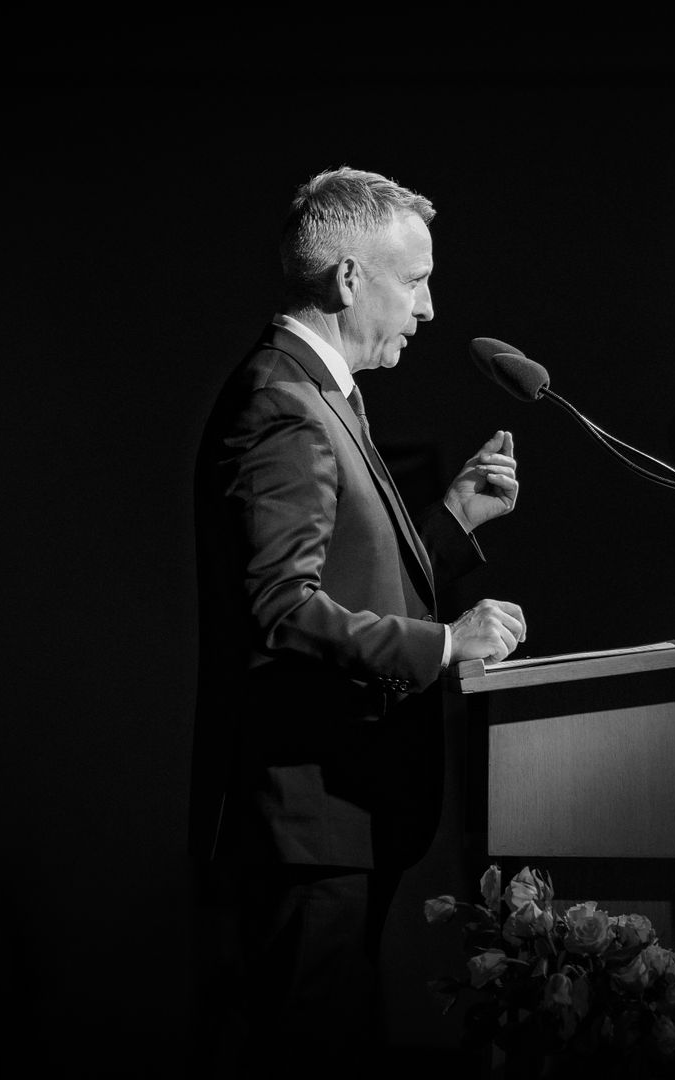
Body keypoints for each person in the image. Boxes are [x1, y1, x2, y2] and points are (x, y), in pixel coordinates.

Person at [187, 166, 527, 1074]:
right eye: (413, 282)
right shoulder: (282, 402)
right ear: (348, 280)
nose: (428, 309)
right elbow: (280, 610)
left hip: (339, 822)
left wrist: (448, 528)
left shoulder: (320, 395)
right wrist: (446, 644)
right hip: (308, 827)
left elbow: (348, 578)